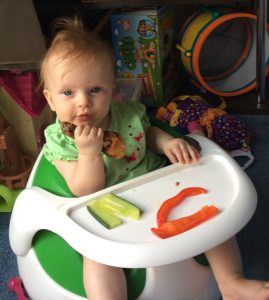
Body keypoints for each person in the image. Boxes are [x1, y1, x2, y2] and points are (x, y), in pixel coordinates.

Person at [40, 16, 269, 300]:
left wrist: (167, 142)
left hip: (154, 186)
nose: (83, 101)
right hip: (105, 208)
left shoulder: (126, 113)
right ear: (50, 100)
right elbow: (83, 190)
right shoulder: (60, 139)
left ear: (112, 89)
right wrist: (88, 153)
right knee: (97, 256)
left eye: (95, 90)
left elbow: (146, 133)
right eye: (68, 92)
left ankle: (231, 283)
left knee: (210, 214)